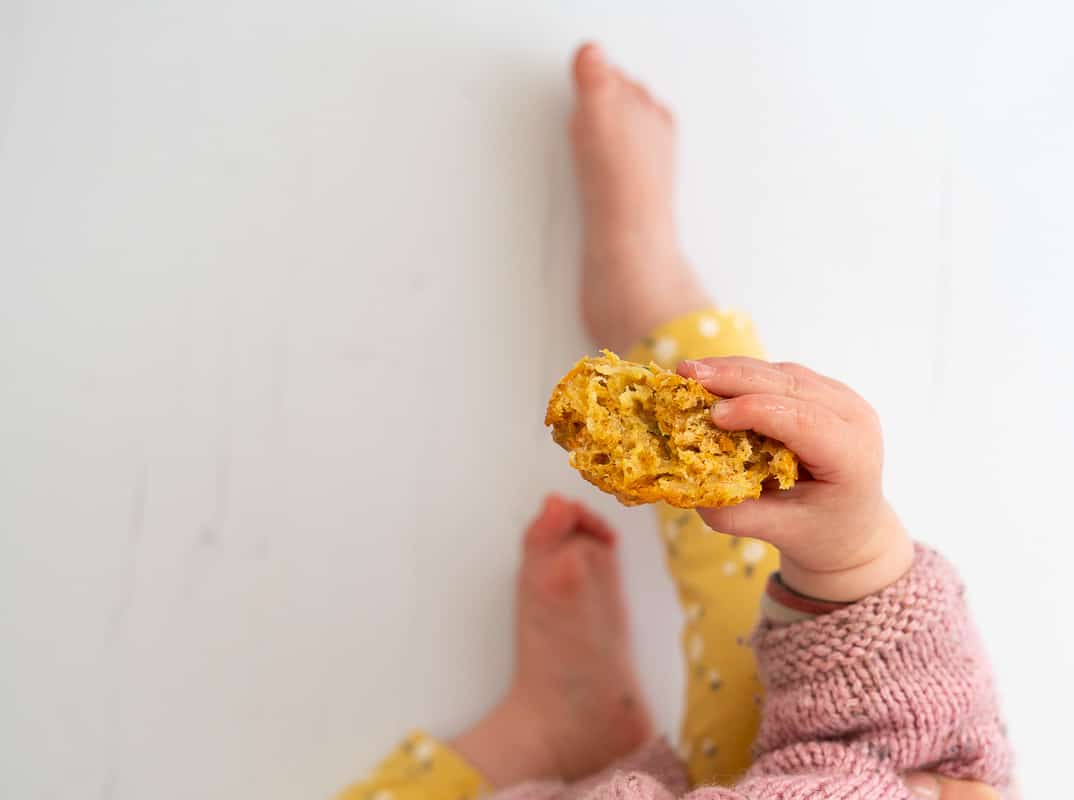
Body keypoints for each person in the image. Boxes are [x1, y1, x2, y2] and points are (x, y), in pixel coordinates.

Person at [338, 43, 1012, 800]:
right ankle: (659, 312)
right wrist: (848, 557)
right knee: (754, 548)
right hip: (805, 762)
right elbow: (904, 749)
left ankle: (558, 733)